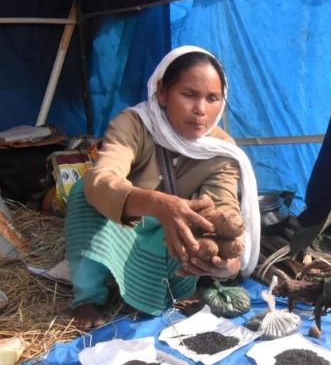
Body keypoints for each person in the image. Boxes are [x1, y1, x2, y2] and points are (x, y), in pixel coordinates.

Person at [65, 46, 260, 330]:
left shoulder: (221, 151)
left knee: (200, 232)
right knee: (84, 191)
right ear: (163, 93)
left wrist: (227, 259)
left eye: (212, 98)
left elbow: (223, 207)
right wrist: (157, 204)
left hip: (173, 238)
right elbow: (103, 178)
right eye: (189, 94)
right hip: (124, 226)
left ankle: (156, 288)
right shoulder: (134, 125)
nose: (200, 110)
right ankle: (88, 296)